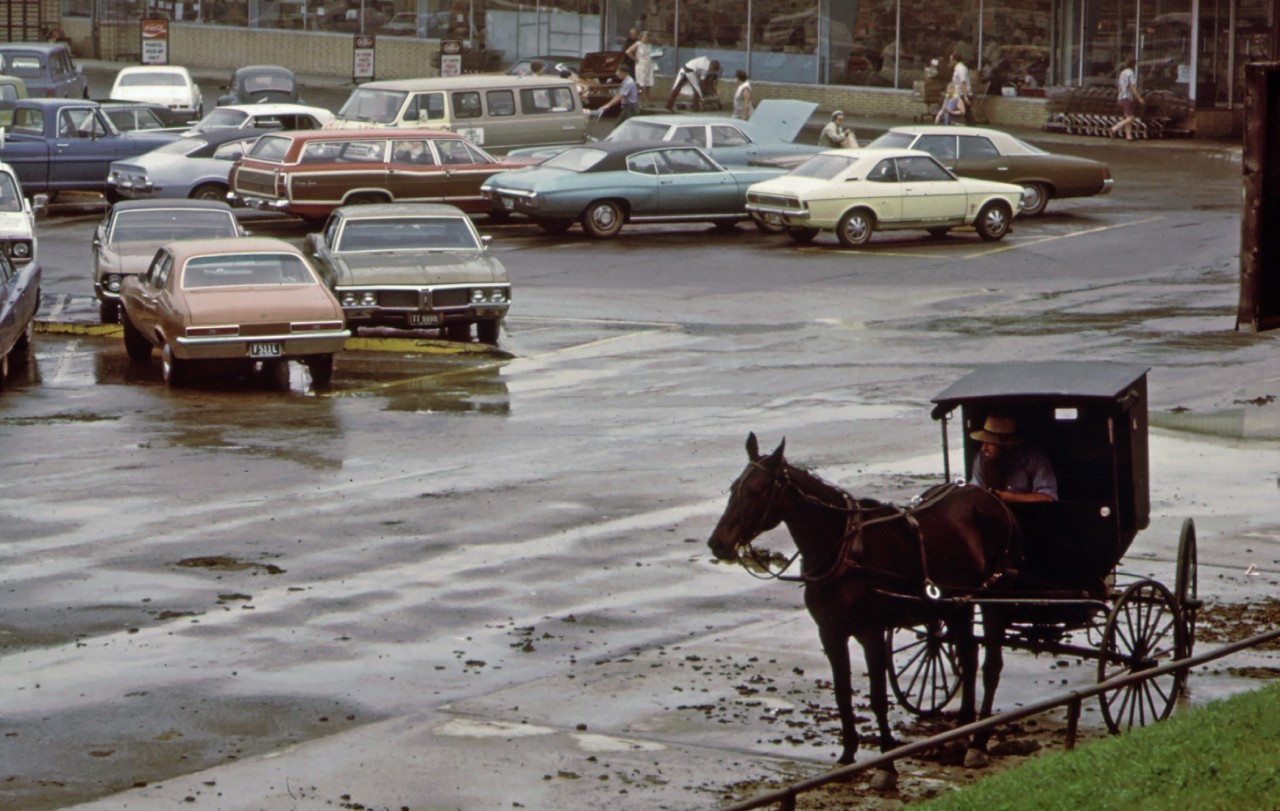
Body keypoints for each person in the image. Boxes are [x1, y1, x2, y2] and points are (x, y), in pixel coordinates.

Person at [968, 415, 1057, 504]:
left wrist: (1011, 498)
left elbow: (1048, 497)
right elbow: (975, 494)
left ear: (1007, 446)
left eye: (989, 443)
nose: (983, 448)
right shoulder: (981, 458)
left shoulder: (1035, 459)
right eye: (983, 442)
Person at [1110, 57, 1145, 141]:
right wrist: (1139, 98)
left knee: (1127, 117)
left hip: (1121, 97)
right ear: (1133, 65)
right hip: (1127, 98)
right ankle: (1114, 128)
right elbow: (1132, 86)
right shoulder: (1130, 73)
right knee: (1131, 118)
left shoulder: (1122, 73)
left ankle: (1129, 136)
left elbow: (1121, 86)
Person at [626, 30, 655, 103]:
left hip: (649, 64)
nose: (646, 38)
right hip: (641, 65)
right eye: (644, 37)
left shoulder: (649, 45)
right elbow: (628, 51)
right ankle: (640, 100)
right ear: (641, 37)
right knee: (641, 83)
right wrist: (634, 58)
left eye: (647, 37)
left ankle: (648, 100)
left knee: (649, 83)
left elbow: (651, 54)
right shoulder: (638, 44)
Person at [949, 52, 973, 124]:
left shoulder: (961, 68)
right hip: (958, 94)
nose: (950, 61)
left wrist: (965, 96)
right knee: (964, 114)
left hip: (963, 94)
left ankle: (972, 129)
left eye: (951, 59)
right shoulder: (956, 69)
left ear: (955, 60)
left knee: (966, 114)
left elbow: (963, 82)